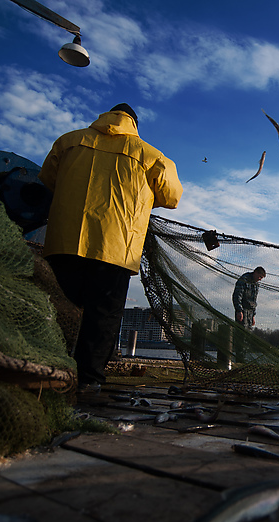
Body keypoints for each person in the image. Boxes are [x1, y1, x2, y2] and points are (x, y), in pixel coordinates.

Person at [39, 103, 183, 392]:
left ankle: (46, 370)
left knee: (56, 309)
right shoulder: (151, 156)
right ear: (134, 125)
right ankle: (89, 381)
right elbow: (172, 197)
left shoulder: (68, 141)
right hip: (116, 249)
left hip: (64, 242)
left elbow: (48, 179)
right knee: (102, 315)